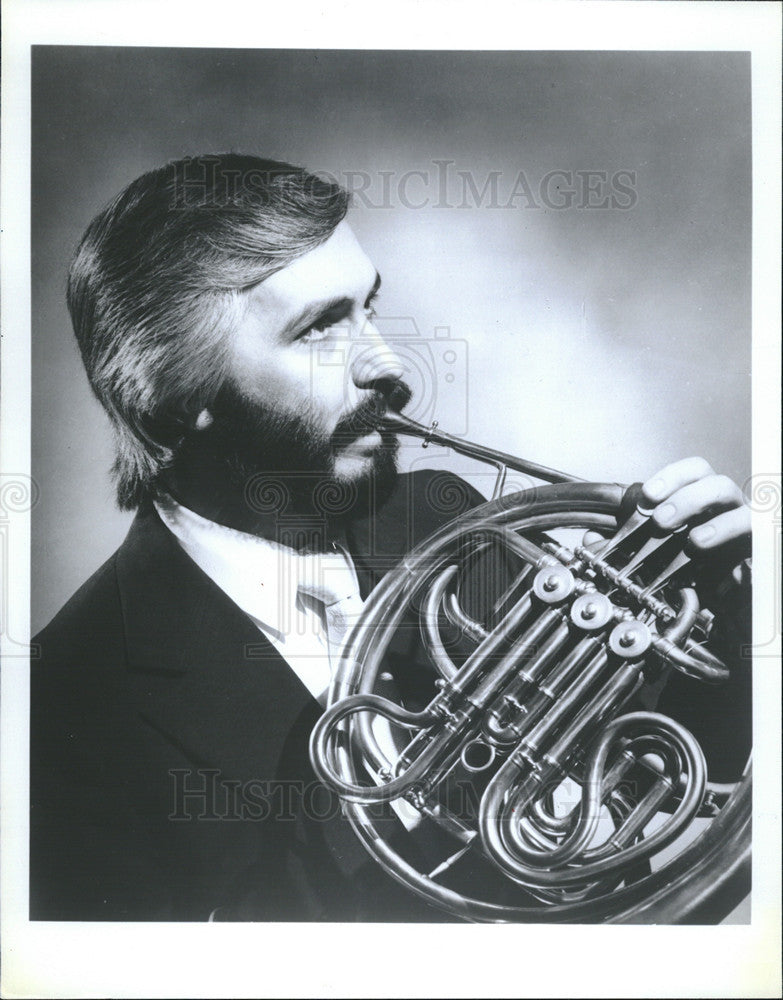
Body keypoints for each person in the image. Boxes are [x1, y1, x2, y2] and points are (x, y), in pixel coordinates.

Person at [30, 154, 751, 922]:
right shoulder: (61, 710)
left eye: (367, 308)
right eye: (318, 330)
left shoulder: (442, 514)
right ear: (171, 399)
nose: (388, 365)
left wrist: (721, 622)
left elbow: (655, 766)